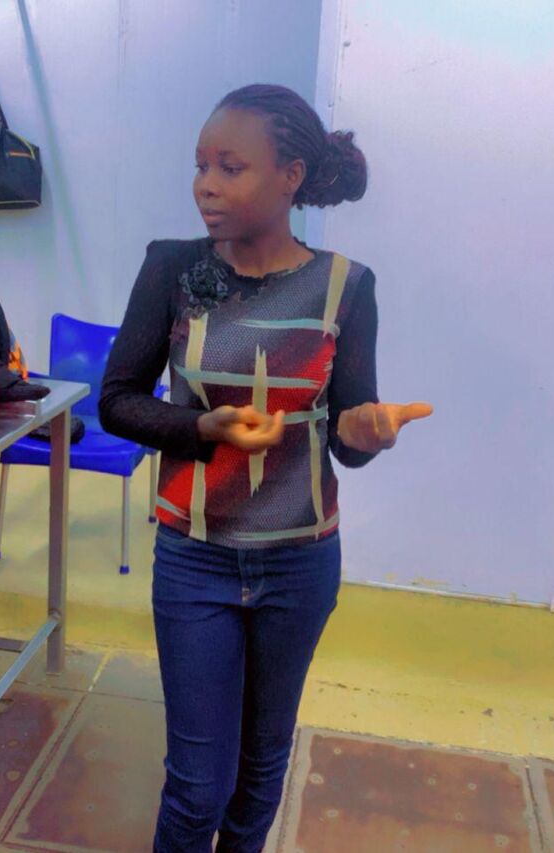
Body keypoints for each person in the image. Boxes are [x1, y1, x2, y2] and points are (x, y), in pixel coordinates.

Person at [99, 83, 432, 853]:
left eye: (231, 167)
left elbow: (347, 435)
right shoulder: (172, 268)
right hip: (195, 558)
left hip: (299, 564)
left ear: (290, 177)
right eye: (201, 165)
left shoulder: (347, 287)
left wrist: (365, 432)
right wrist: (200, 426)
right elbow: (117, 400)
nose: (206, 185)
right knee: (196, 790)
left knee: (259, 771)